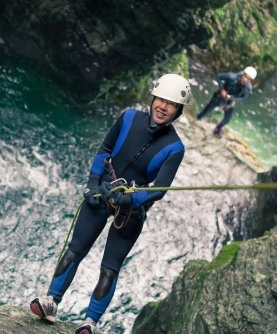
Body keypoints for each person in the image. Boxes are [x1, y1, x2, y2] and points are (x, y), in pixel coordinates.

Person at [29, 73, 192, 334]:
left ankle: (90, 322)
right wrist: (93, 183)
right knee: (74, 250)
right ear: (152, 99)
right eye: (160, 99)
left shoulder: (175, 148)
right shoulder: (128, 117)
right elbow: (105, 150)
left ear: (178, 111)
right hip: (103, 192)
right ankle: (51, 302)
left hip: (130, 211)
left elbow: (159, 189)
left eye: (171, 104)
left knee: (109, 268)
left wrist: (130, 198)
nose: (163, 107)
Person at [196, 66, 257, 137]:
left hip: (230, 100)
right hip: (220, 96)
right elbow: (219, 76)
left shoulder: (248, 88)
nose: (246, 80)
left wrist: (234, 99)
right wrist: (222, 89)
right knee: (206, 111)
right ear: (243, 74)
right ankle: (198, 119)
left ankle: (218, 128)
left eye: (249, 79)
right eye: (245, 77)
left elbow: (243, 97)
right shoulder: (232, 76)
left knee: (227, 119)